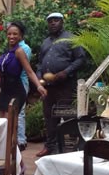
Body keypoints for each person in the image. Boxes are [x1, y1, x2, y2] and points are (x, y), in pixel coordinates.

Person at [36, 12, 86, 157]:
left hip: (65, 86)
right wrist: (40, 79)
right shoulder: (45, 42)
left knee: (67, 116)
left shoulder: (71, 39)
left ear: (62, 22)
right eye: (50, 21)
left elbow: (81, 59)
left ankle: (69, 147)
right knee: (49, 117)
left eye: (56, 20)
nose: (53, 23)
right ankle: (50, 146)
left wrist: (66, 72)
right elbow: (40, 64)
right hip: (48, 88)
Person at [0, 22, 47, 117]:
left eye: (15, 34)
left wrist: (39, 86)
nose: (11, 36)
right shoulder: (6, 53)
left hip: (16, 91)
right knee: (4, 124)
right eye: (9, 34)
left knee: (10, 125)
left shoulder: (19, 51)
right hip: (4, 91)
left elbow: (29, 71)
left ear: (20, 36)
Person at [17, 36, 32, 151]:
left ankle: (21, 140)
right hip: (12, 83)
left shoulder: (24, 48)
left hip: (21, 82)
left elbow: (23, 68)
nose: (11, 36)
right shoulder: (13, 47)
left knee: (20, 112)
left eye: (14, 33)